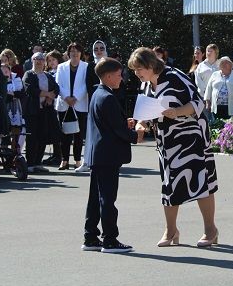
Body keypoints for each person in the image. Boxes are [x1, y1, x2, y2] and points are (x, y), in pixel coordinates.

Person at [129, 47, 219, 248]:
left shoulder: (175, 76)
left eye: (139, 69)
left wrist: (177, 111)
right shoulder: (147, 84)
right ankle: (171, 230)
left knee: (200, 181)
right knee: (169, 183)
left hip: (191, 137)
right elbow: (147, 108)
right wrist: (141, 122)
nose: (136, 74)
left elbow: (198, 102)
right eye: (135, 70)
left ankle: (210, 229)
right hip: (167, 140)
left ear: (151, 65)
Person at [81, 58, 145, 253]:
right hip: (107, 155)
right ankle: (110, 239)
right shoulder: (107, 97)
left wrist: (123, 122)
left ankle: (90, 237)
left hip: (98, 154)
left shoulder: (98, 93)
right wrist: (137, 135)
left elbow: (107, 124)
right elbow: (117, 130)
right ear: (108, 76)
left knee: (95, 198)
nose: (122, 78)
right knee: (107, 198)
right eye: (119, 75)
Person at [55, 43, 91, 172]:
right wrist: (66, 98)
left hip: (79, 104)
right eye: (72, 51)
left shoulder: (86, 67)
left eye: (77, 51)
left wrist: (75, 98)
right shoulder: (61, 67)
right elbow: (58, 84)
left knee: (79, 135)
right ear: (68, 53)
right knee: (64, 134)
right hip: (64, 104)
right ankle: (64, 160)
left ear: (81, 53)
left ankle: (77, 160)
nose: (74, 53)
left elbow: (86, 85)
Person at [23, 52, 59, 173]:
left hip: (46, 110)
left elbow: (56, 88)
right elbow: (30, 89)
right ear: (32, 60)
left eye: (41, 59)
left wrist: (50, 97)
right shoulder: (28, 74)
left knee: (43, 136)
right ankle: (30, 163)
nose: (39, 61)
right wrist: (47, 93)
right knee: (32, 137)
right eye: (36, 59)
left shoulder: (48, 75)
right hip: (32, 111)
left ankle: (38, 162)